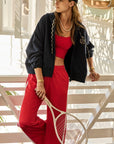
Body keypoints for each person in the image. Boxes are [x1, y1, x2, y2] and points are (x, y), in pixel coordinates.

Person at [17, 0, 100, 143]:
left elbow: (88, 48)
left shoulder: (78, 29)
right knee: (25, 120)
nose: (56, 2)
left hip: (60, 77)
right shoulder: (47, 21)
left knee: (58, 125)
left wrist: (92, 69)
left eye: (61, 0)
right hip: (38, 76)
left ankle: (54, 139)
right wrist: (40, 81)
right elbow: (34, 50)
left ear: (71, 3)